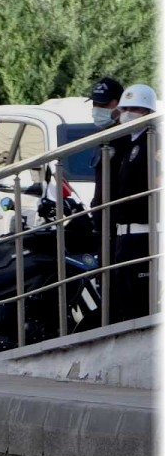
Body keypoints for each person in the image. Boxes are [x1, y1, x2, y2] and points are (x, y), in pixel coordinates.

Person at [96, 84, 158, 322]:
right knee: (123, 306)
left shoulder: (153, 142)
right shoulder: (124, 143)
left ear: (149, 112)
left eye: (137, 109)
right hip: (123, 237)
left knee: (140, 307)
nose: (129, 114)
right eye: (126, 108)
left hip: (144, 236)